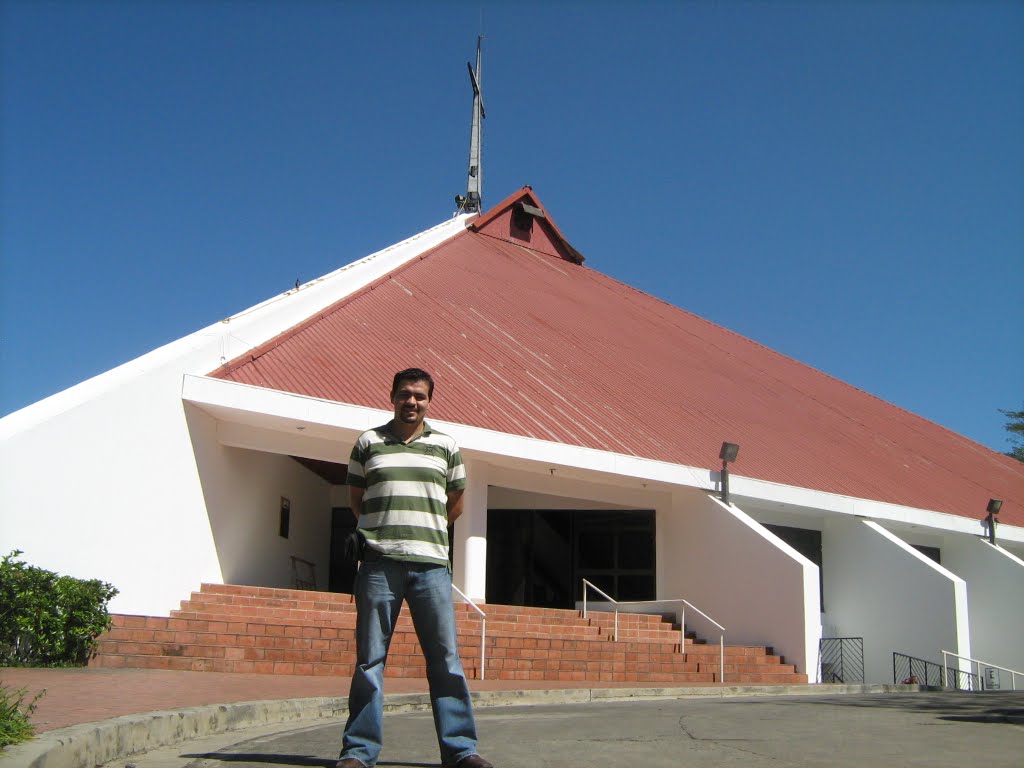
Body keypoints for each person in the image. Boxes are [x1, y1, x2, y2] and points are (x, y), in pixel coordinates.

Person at [336, 368, 493, 768]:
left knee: (446, 661)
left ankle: (461, 751)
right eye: (405, 394)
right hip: (377, 565)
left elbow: (454, 502)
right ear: (391, 396)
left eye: (420, 396)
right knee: (369, 660)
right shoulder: (368, 442)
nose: (412, 402)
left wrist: (426, 530)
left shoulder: (445, 446)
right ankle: (358, 752)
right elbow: (358, 499)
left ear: (429, 401)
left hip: (431, 570)